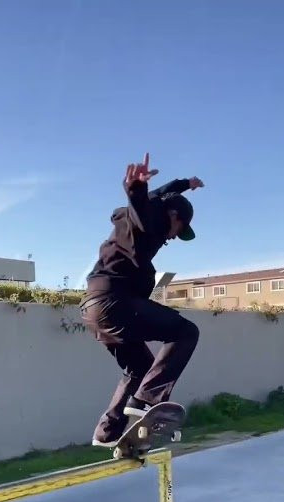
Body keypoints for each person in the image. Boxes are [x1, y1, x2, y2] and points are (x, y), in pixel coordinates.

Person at [81, 153, 204, 447]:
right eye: (179, 228)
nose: (174, 237)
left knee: (140, 367)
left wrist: (185, 183)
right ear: (173, 217)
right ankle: (147, 402)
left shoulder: (135, 220)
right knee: (186, 332)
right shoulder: (151, 222)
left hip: (93, 308)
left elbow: (161, 196)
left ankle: (108, 431)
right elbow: (145, 206)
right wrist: (135, 188)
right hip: (116, 302)